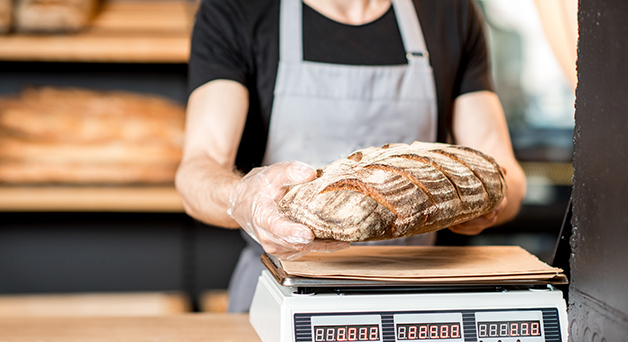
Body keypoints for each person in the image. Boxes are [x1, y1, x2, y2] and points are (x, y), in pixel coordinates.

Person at [175, 0, 527, 312]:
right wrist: (242, 197)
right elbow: (197, 169)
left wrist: (484, 203)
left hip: (417, 300)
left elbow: (505, 172)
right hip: (284, 295)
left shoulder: (449, 11)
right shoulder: (236, 9)